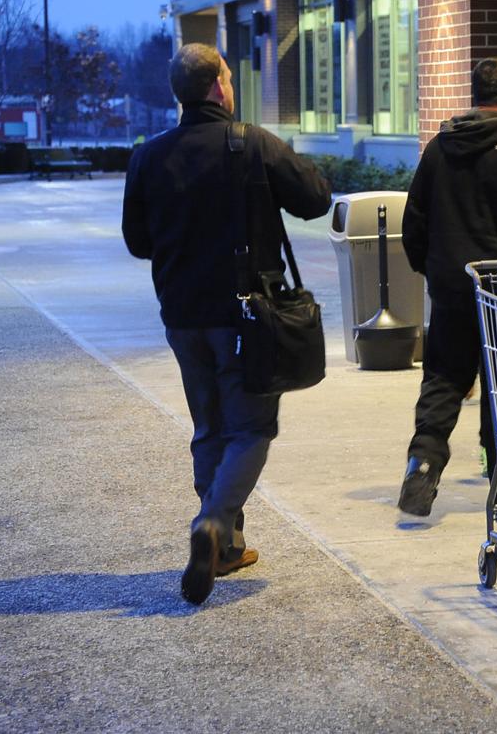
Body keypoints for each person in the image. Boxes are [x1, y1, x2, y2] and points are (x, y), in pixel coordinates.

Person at [122, 43, 331, 605]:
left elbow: (137, 242)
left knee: (209, 425)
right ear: (218, 86)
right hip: (245, 314)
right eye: (231, 77)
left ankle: (228, 546)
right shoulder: (251, 144)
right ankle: (212, 523)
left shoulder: (148, 156)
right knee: (252, 429)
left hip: (182, 315)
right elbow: (315, 199)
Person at [397, 57, 497, 518]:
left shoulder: (439, 148)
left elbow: (415, 222)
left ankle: (423, 465)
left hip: (451, 286)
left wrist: (434, 270)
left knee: (444, 379)